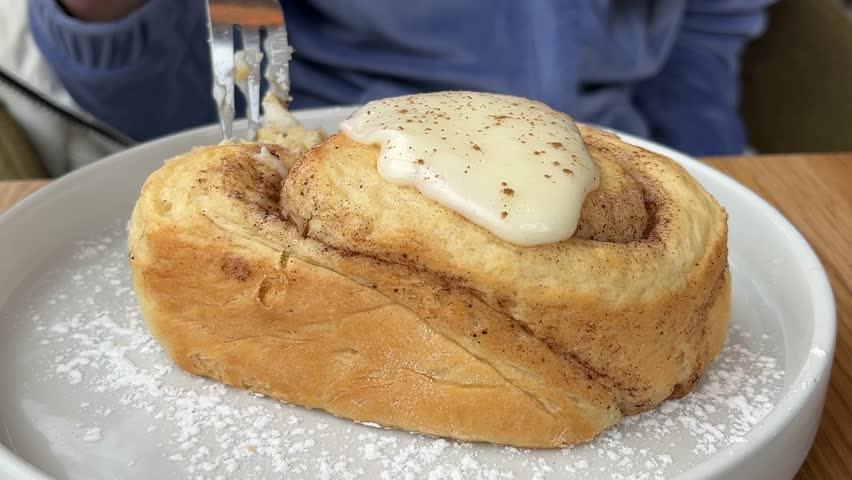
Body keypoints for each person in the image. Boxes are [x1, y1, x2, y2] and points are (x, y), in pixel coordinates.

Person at [28, 0, 775, 160]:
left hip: (613, 153)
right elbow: (220, 96)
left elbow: (707, 32)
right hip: (334, 149)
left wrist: (723, 173)